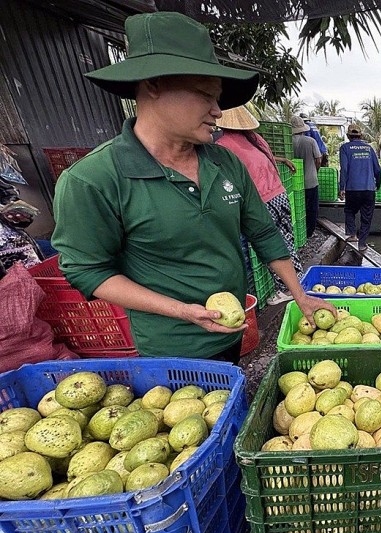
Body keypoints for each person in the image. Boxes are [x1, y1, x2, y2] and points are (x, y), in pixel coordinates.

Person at [51, 11, 333, 363]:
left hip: (232, 332)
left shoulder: (225, 162)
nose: (217, 111)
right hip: (169, 346)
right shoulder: (93, 179)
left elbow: (263, 232)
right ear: (153, 84)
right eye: (205, 94)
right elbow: (87, 270)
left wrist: (299, 293)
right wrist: (182, 311)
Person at [215, 106, 302, 293]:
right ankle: (296, 286)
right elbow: (265, 159)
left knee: (265, 245)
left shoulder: (222, 146)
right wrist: (284, 160)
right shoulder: (256, 140)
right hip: (279, 194)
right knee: (285, 240)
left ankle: (284, 290)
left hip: (260, 200)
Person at [339, 124, 381, 252]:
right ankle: (362, 243)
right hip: (369, 189)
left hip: (352, 189)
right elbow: (378, 170)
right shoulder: (369, 148)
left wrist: (342, 188)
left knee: (349, 211)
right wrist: (377, 184)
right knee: (366, 216)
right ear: (361, 135)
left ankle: (352, 235)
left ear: (348, 136)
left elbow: (344, 169)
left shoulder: (345, 148)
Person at [291, 115, 322, 238]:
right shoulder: (311, 141)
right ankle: (309, 232)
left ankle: (298, 231)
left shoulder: (288, 142)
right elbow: (318, 159)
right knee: (312, 208)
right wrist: (315, 170)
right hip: (310, 180)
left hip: (293, 182)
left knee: (298, 207)